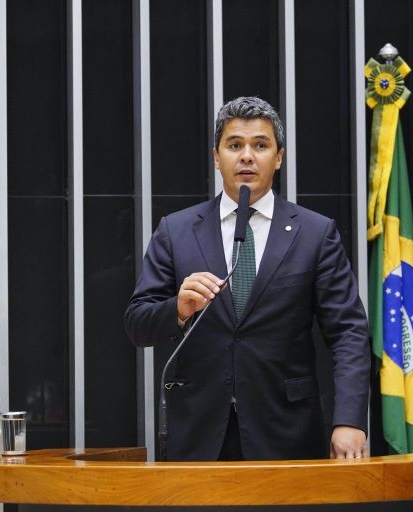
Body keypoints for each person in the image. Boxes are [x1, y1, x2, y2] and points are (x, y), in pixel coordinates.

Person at [125, 96, 370, 461]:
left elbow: (348, 332)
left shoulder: (316, 234)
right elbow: (138, 325)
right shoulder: (175, 232)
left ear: (279, 157)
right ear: (216, 156)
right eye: (235, 145)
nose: (246, 156)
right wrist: (177, 308)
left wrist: (349, 420)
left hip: (287, 429)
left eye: (260, 145)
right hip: (198, 431)